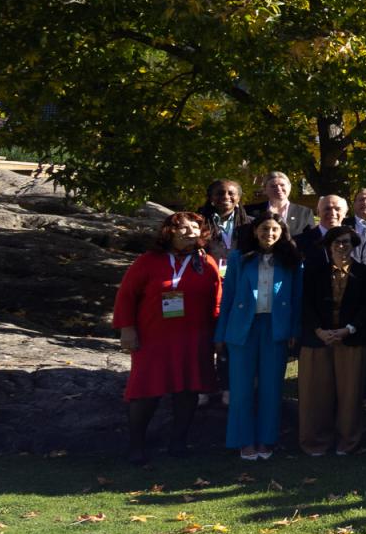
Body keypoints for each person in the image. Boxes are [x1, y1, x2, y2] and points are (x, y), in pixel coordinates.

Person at [113, 212, 222, 464]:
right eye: (183, 228)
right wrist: (127, 328)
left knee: (188, 388)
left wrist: (218, 334)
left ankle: (178, 443)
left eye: (195, 227)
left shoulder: (206, 263)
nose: (190, 231)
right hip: (154, 337)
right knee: (146, 391)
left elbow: (216, 300)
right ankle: (136, 446)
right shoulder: (148, 261)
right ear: (169, 232)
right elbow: (127, 295)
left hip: (194, 337)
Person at [216, 211, 302, 461]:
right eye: (264, 229)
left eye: (275, 229)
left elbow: (297, 299)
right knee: (241, 388)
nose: (269, 234)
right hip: (243, 327)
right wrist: (220, 334)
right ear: (255, 231)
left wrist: (294, 331)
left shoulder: (292, 260)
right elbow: (228, 298)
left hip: (275, 328)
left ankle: (267, 439)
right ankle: (244, 440)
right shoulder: (238, 258)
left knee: (271, 387)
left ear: (282, 233)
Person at [298, 226, 366, 456]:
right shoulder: (313, 272)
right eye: (337, 243)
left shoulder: (365, 273)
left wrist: (348, 329)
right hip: (318, 339)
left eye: (347, 242)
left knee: (350, 393)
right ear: (329, 246)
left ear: (353, 246)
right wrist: (319, 330)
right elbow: (305, 304)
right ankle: (316, 442)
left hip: (350, 339)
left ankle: (348, 441)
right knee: (315, 392)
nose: (342, 247)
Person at [245, 171, 315, 237]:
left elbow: (310, 240)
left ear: (289, 187)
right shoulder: (250, 211)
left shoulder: (305, 213)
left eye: (282, 185)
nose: (278, 188)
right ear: (264, 189)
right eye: (273, 186)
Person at [199, 179, 247, 262]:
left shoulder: (251, 223)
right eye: (220, 193)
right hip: (210, 272)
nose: (226, 196)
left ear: (238, 198)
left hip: (242, 273)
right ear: (210, 198)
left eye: (231, 193)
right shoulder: (199, 224)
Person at [298, 194, 348, 267]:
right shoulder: (300, 242)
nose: (332, 213)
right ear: (318, 212)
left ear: (345, 213)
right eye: (327, 208)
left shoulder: (358, 241)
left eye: (337, 209)